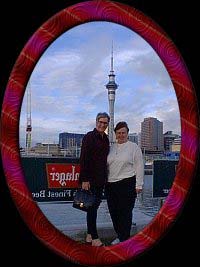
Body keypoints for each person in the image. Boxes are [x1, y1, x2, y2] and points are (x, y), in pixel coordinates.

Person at [106, 121, 144, 244]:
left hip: (127, 183)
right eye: (118, 133)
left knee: (125, 213)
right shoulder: (111, 147)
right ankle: (120, 235)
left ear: (127, 133)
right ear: (115, 134)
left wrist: (139, 185)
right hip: (110, 184)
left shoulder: (134, 147)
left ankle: (124, 238)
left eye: (123, 132)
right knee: (113, 212)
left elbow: (139, 166)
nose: (121, 135)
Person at [79, 112, 110, 246]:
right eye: (100, 122)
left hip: (101, 179)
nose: (102, 125)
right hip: (90, 179)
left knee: (93, 207)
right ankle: (95, 238)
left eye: (105, 123)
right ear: (96, 121)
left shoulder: (106, 138)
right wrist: (85, 179)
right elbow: (84, 158)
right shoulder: (89, 137)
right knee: (91, 208)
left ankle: (89, 236)